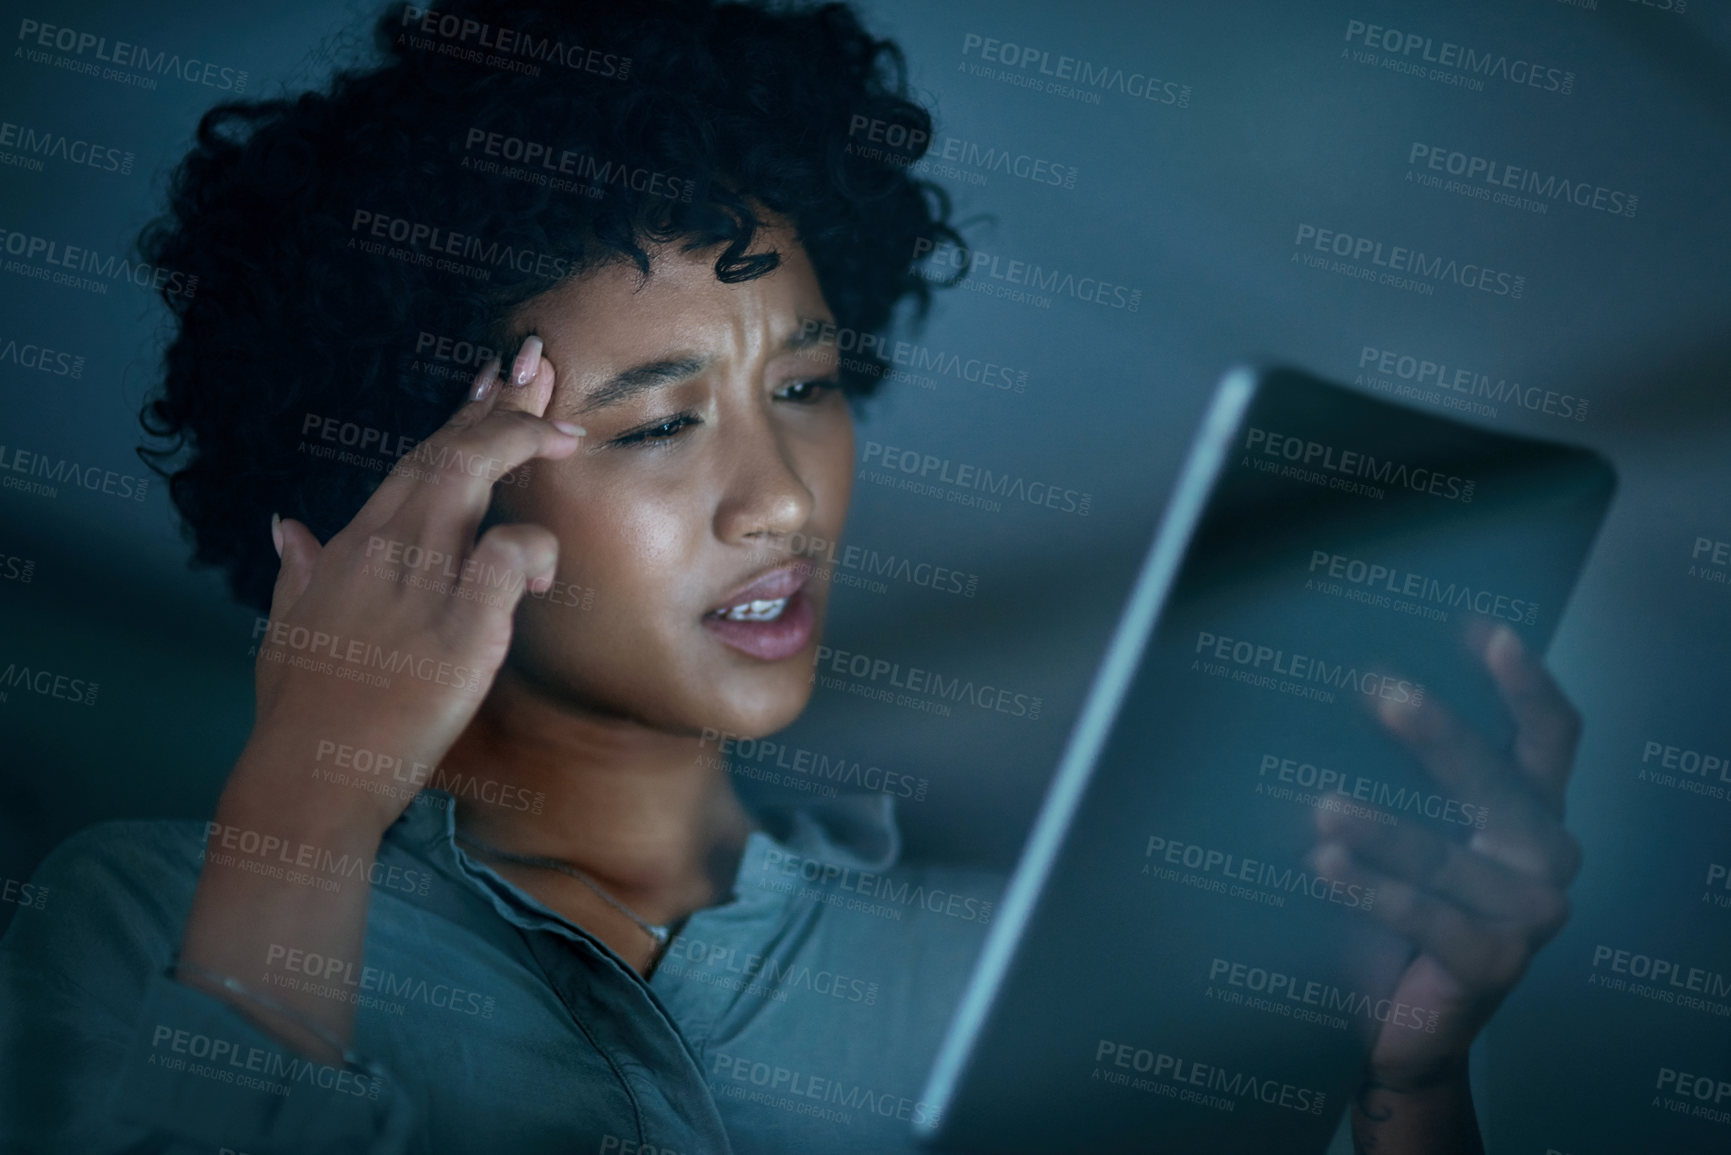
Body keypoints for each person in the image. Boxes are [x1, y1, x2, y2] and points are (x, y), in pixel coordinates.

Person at [0, 1, 1583, 1152]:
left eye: (810, 389)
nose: (779, 500)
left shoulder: (998, 974)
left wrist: (1408, 1089)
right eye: (664, 421)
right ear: (409, 506)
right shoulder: (148, 915)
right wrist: (307, 799)